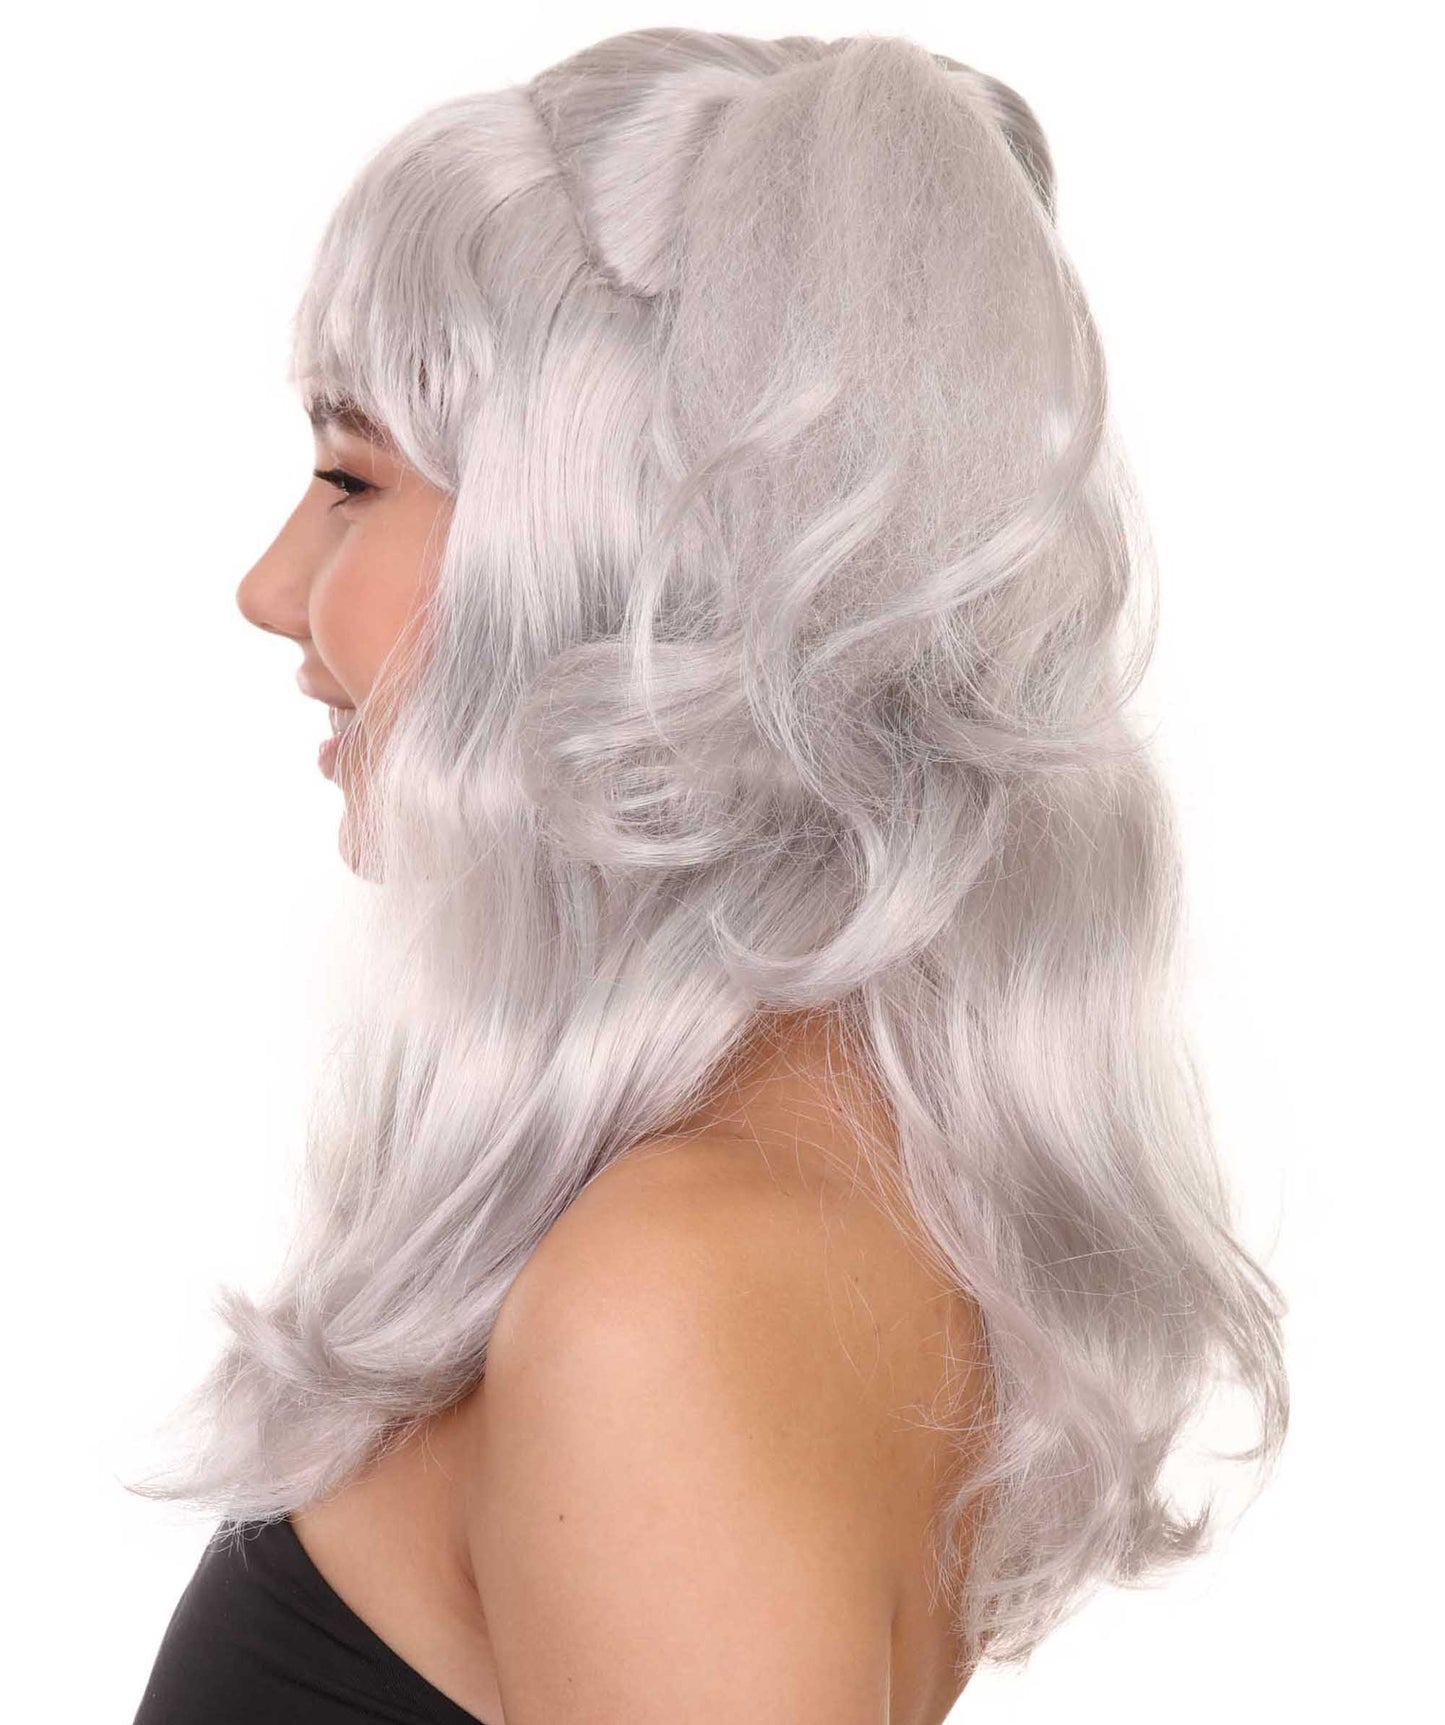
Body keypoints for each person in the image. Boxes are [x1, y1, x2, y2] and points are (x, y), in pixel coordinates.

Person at [126, 26, 1289, 1725]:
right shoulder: (784, 1193)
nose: (268, 582)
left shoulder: (671, 1292)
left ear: (620, 554)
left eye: (349, 478)